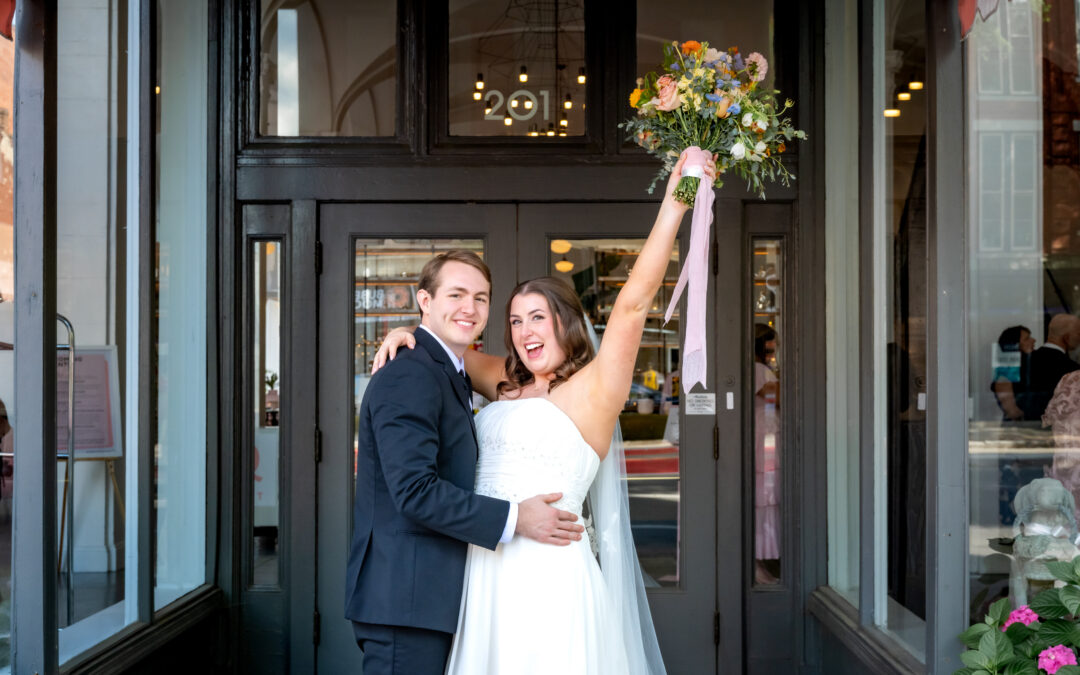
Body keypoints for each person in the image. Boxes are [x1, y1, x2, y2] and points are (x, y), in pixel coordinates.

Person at [373, 151, 716, 674]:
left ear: (567, 323)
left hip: (550, 576)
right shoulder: (501, 380)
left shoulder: (594, 391)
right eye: (514, 320)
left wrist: (679, 198)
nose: (524, 331)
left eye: (538, 317)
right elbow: (445, 340)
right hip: (484, 569)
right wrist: (404, 332)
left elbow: (633, 303)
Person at [344, 250, 586, 675]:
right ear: (425, 300)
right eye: (455, 294)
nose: (469, 308)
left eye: (480, 297)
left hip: (434, 600)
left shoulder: (447, 369)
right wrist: (517, 518)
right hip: (406, 602)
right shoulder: (411, 373)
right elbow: (414, 492)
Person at [753, 324, 780, 584]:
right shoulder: (759, 370)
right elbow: (780, 396)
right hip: (764, 439)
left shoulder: (760, 370)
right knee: (764, 498)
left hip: (764, 437)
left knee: (764, 498)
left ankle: (759, 562)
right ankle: (757, 563)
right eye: (771, 345)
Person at [1023, 314, 1080, 421]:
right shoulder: (1071, 369)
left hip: (1025, 426)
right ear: (1067, 337)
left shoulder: (1026, 360)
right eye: (1078, 333)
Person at [990, 325, 1034, 422]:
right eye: (1027, 339)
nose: (1033, 340)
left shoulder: (1027, 364)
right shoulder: (1008, 368)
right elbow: (1012, 411)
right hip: (1019, 425)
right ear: (1015, 345)